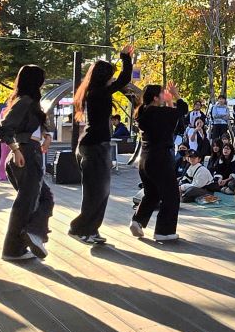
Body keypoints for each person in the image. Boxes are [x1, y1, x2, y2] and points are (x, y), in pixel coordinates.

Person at [69, 46, 134, 243]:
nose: (112, 80)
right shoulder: (98, 92)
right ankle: (79, 228)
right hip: (93, 146)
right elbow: (124, 79)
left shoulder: (96, 91)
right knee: (95, 191)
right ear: (103, 76)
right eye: (110, 77)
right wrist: (125, 59)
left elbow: (121, 81)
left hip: (97, 145)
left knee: (101, 190)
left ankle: (91, 228)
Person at [0, 65, 54, 262]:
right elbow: (4, 127)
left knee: (38, 199)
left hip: (28, 152)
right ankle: (23, 241)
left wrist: (46, 136)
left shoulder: (28, 102)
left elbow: (35, 127)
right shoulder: (26, 101)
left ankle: (28, 237)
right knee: (30, 201)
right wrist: (16, 149)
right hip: (26, 154)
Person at [129, 83, 189, 241]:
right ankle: (164, 231)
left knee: (152, 193)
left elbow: (172, 119)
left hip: (145, 159)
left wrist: (169, 102)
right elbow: (182, 110)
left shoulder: (143, 111)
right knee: (171, 196)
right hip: (160, 159)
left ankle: (137, 221)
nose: (165, 94)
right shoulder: (158, 112)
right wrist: (176, 95)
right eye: (162, 93)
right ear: (156, 97)